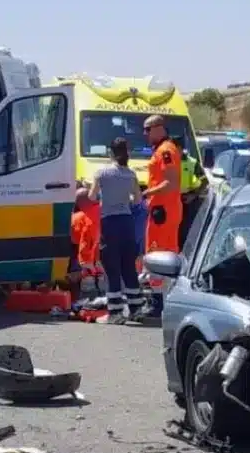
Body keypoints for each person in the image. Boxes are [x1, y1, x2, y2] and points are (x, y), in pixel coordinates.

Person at [88, 137, 145, 324]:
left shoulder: (101, 173)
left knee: (112, 266)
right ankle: (136, 308)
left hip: (109, 222)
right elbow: (137, 200)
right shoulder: (131, 174)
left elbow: (91, 196)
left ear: (110, 153)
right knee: (128, 265)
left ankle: (115, 312)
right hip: (127, 222)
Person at [140, 114, 182, 317]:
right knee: (158, 252)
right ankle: (159, 299)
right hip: (161, 210)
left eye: (147, 129)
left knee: (159, 254)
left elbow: (171, 183)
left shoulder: (166, 151)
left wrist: (146, 193)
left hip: (164, 211)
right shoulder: (162, 150)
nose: (144, 134)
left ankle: (159, 302)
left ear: (159, 128)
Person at [68, 187, 101, 302]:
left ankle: (86, 305)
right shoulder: (103, 210)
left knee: (87, 286)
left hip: (88, 258)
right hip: (105, 254)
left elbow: (79, 241)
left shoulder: (80, 218)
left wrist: (85, 264)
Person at [177, 138, 207, 248]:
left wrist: (193, 195)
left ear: (179, 149)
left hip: (187, 201)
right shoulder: (169, 162)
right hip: (172, 201)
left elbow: (204, 181)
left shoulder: (191, 162)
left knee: (186, 231)